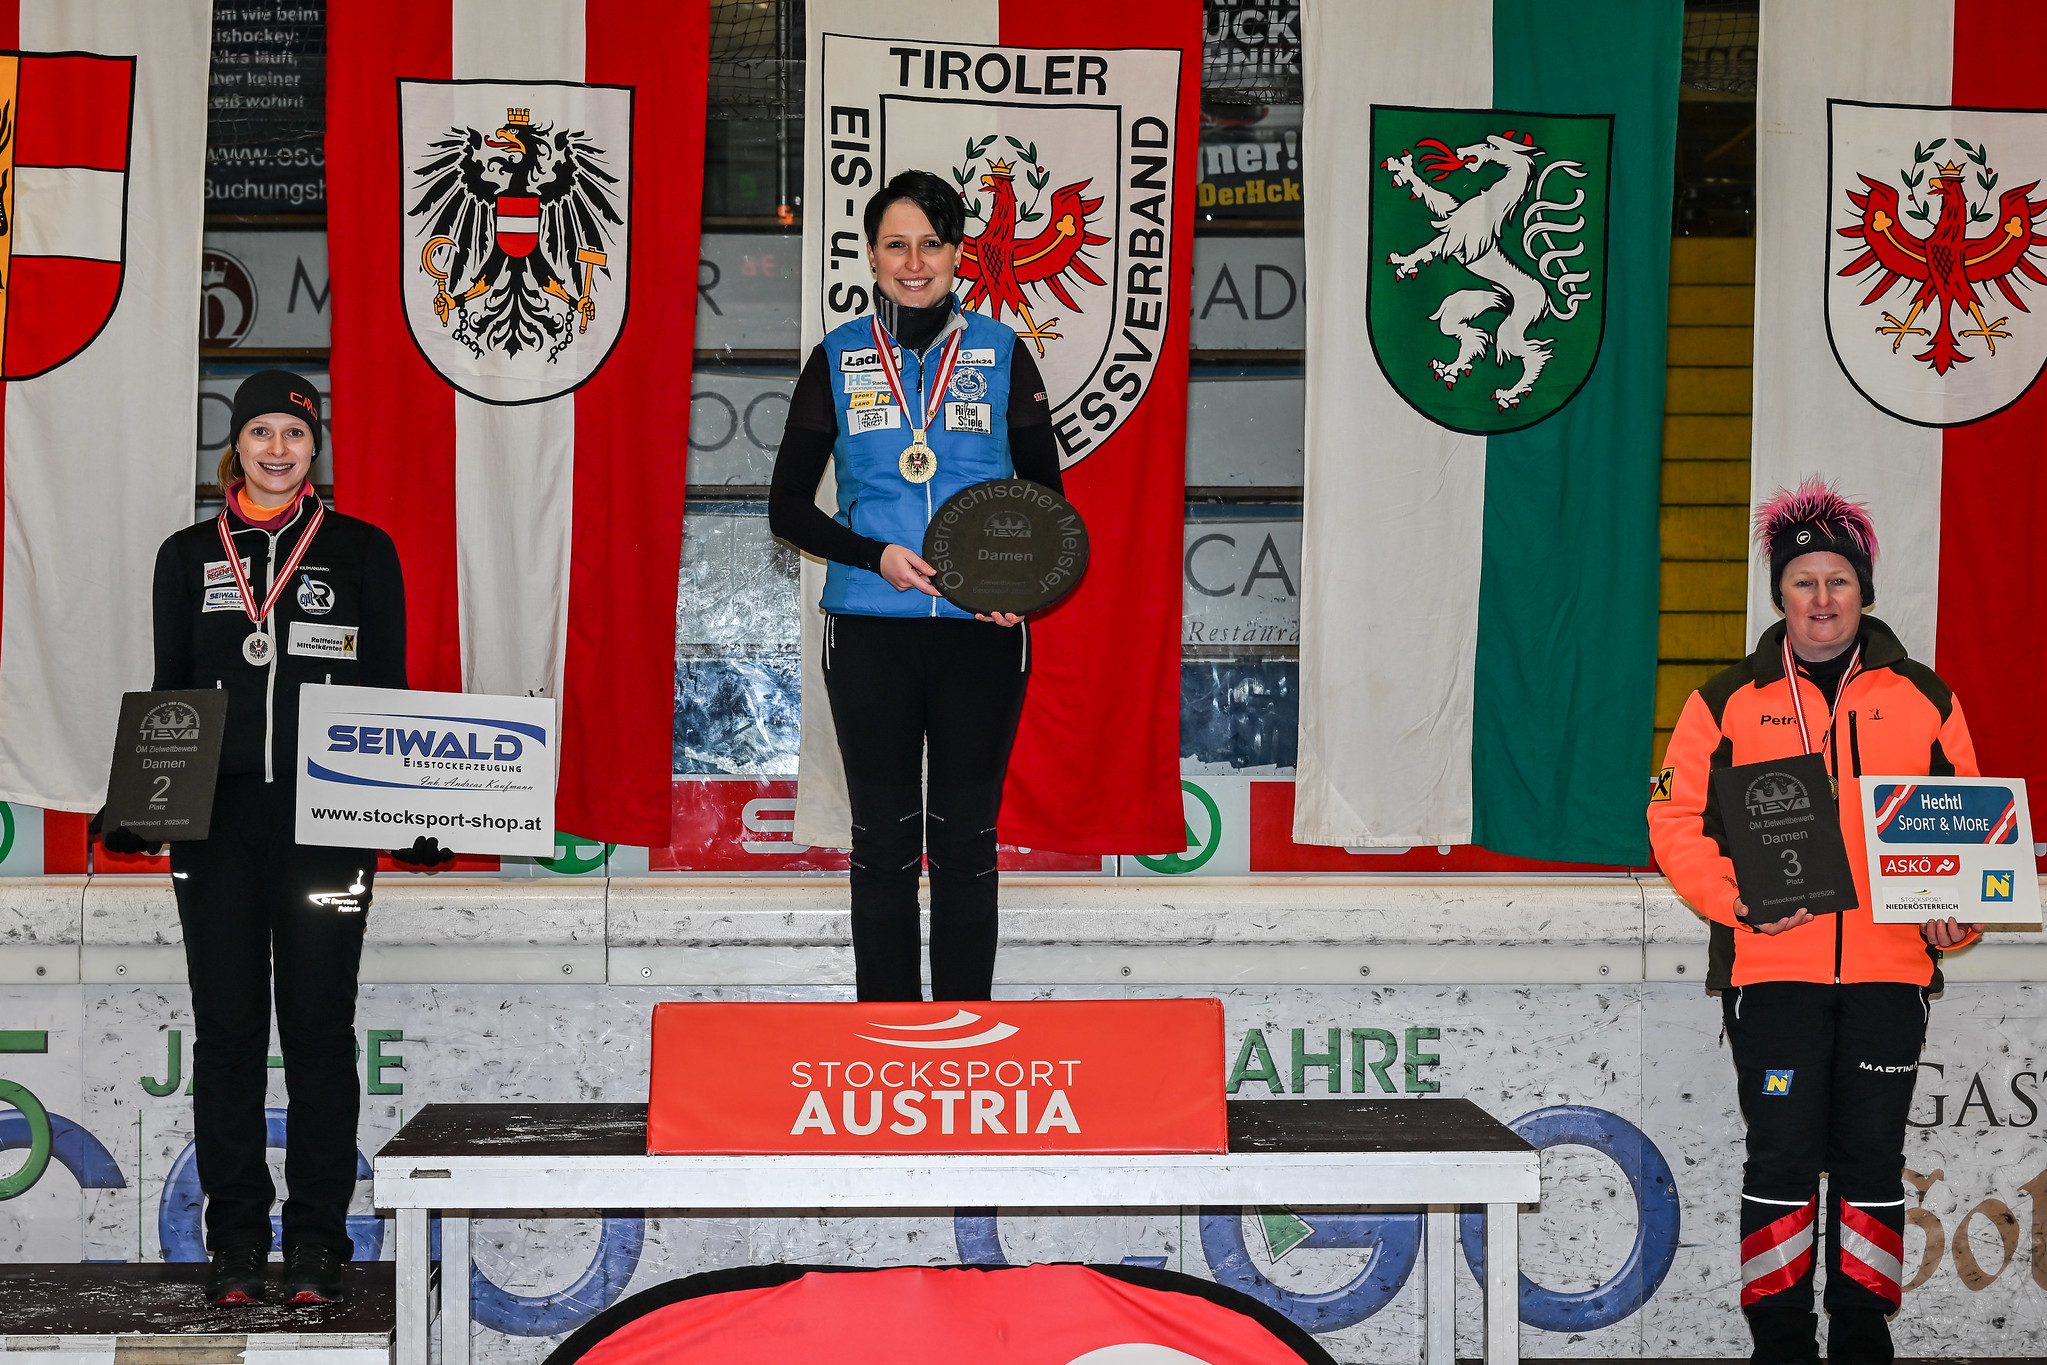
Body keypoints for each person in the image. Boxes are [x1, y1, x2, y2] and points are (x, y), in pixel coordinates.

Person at [95, 371, 452, 1307]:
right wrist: (137, 801)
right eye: (260, 430)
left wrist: (407, 810)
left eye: (293, 431)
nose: (278, 448)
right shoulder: (184, 555)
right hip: (215, 828)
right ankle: (238, 1248)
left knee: (320, 1031)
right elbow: (173, 684)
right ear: (237, 442)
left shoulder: (362, 550)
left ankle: (319, 1244)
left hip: (325, 826)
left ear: (314, 444)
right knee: (227, 1034)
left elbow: (387, 692)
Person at [1649, 477, 1981, 1365]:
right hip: (1773, 974)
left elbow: (1964, 826)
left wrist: (1956, 916)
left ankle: (1865, 1337)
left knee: (1872, 1163)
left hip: (1888, 973)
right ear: (1780, 596)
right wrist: (1736, 901)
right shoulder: (1725, 699)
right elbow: (1673, 819)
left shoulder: (1922, 696)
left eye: (1838, 580)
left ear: (1863, 591)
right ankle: (1782, 1342)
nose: (1822, 598)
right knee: (1782, 1163)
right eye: (1803, 581)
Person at [767, 170, 1064, 1002]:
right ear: (870, 253)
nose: (913, 261)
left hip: (980, 631)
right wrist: (872, 556)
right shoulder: (837, 357)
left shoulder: (1004, 353)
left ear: (958, 254)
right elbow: (787, 507)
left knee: (967, 839)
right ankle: (888, 1030)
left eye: (931, 243)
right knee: (884, 841)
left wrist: (1021, 587)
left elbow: (1048, 500)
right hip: (869, 630)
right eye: (896, 243)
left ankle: (963, 1033)